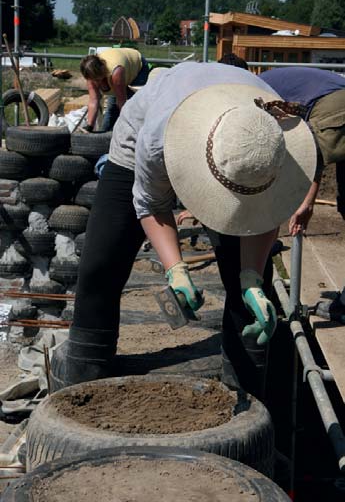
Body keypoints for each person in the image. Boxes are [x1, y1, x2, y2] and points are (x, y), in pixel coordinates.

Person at [53, 62, 316, 398]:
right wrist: (175, 269)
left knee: (252, 291)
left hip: (236, 140)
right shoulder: (157, 137)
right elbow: (150, 204)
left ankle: (248, 394)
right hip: (142, 143)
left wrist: (251, 279)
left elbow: (264, 214)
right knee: (101, 265)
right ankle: (84, 376)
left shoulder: (273, 141)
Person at [260, 66, 345, 321]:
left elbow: (311, 154)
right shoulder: (266, 85)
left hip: (336, 109)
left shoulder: (248, 94)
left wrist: (306, 203)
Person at [80, 47, 150, 132]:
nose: (96, 82)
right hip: (119, 64)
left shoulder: (116, 72)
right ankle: (105, 134)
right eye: (93, 79)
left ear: (102, 72)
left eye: (97, 79)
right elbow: (93, 101)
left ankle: (135, 133)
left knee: (133, 106)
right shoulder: (91, 76)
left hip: (137, 68)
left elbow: (121, 101)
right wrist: (89, 126)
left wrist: (124, 126)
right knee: (112, 108)